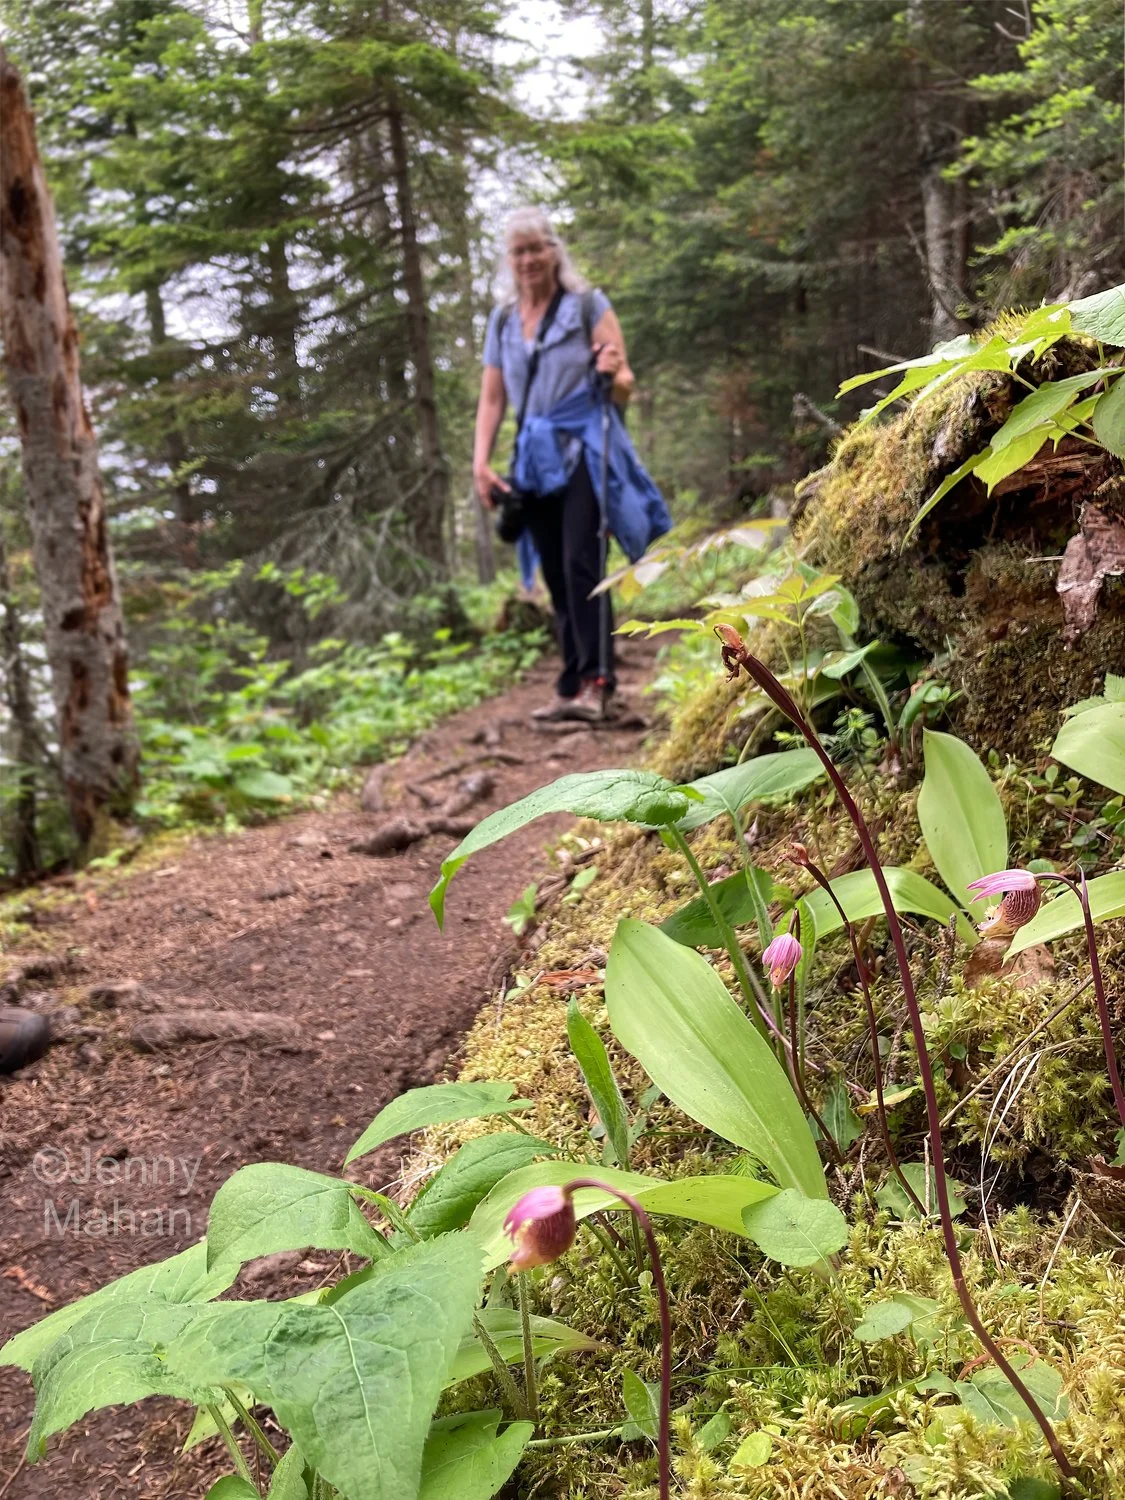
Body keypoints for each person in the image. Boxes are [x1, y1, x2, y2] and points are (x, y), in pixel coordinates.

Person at [473, 205, 671, 721]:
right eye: (519, 251)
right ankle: (572, 681)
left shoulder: (587, 306)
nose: (529, 259)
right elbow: (493, 398)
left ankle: (599, 682)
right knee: (556, 573)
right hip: (533, 456)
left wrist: (613, 370)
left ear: (554, 251)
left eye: (537, 247)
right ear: (508, 259)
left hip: (584, 442)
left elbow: (625, 386)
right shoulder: (501, 321)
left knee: (584, 560)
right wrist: (481, 462)